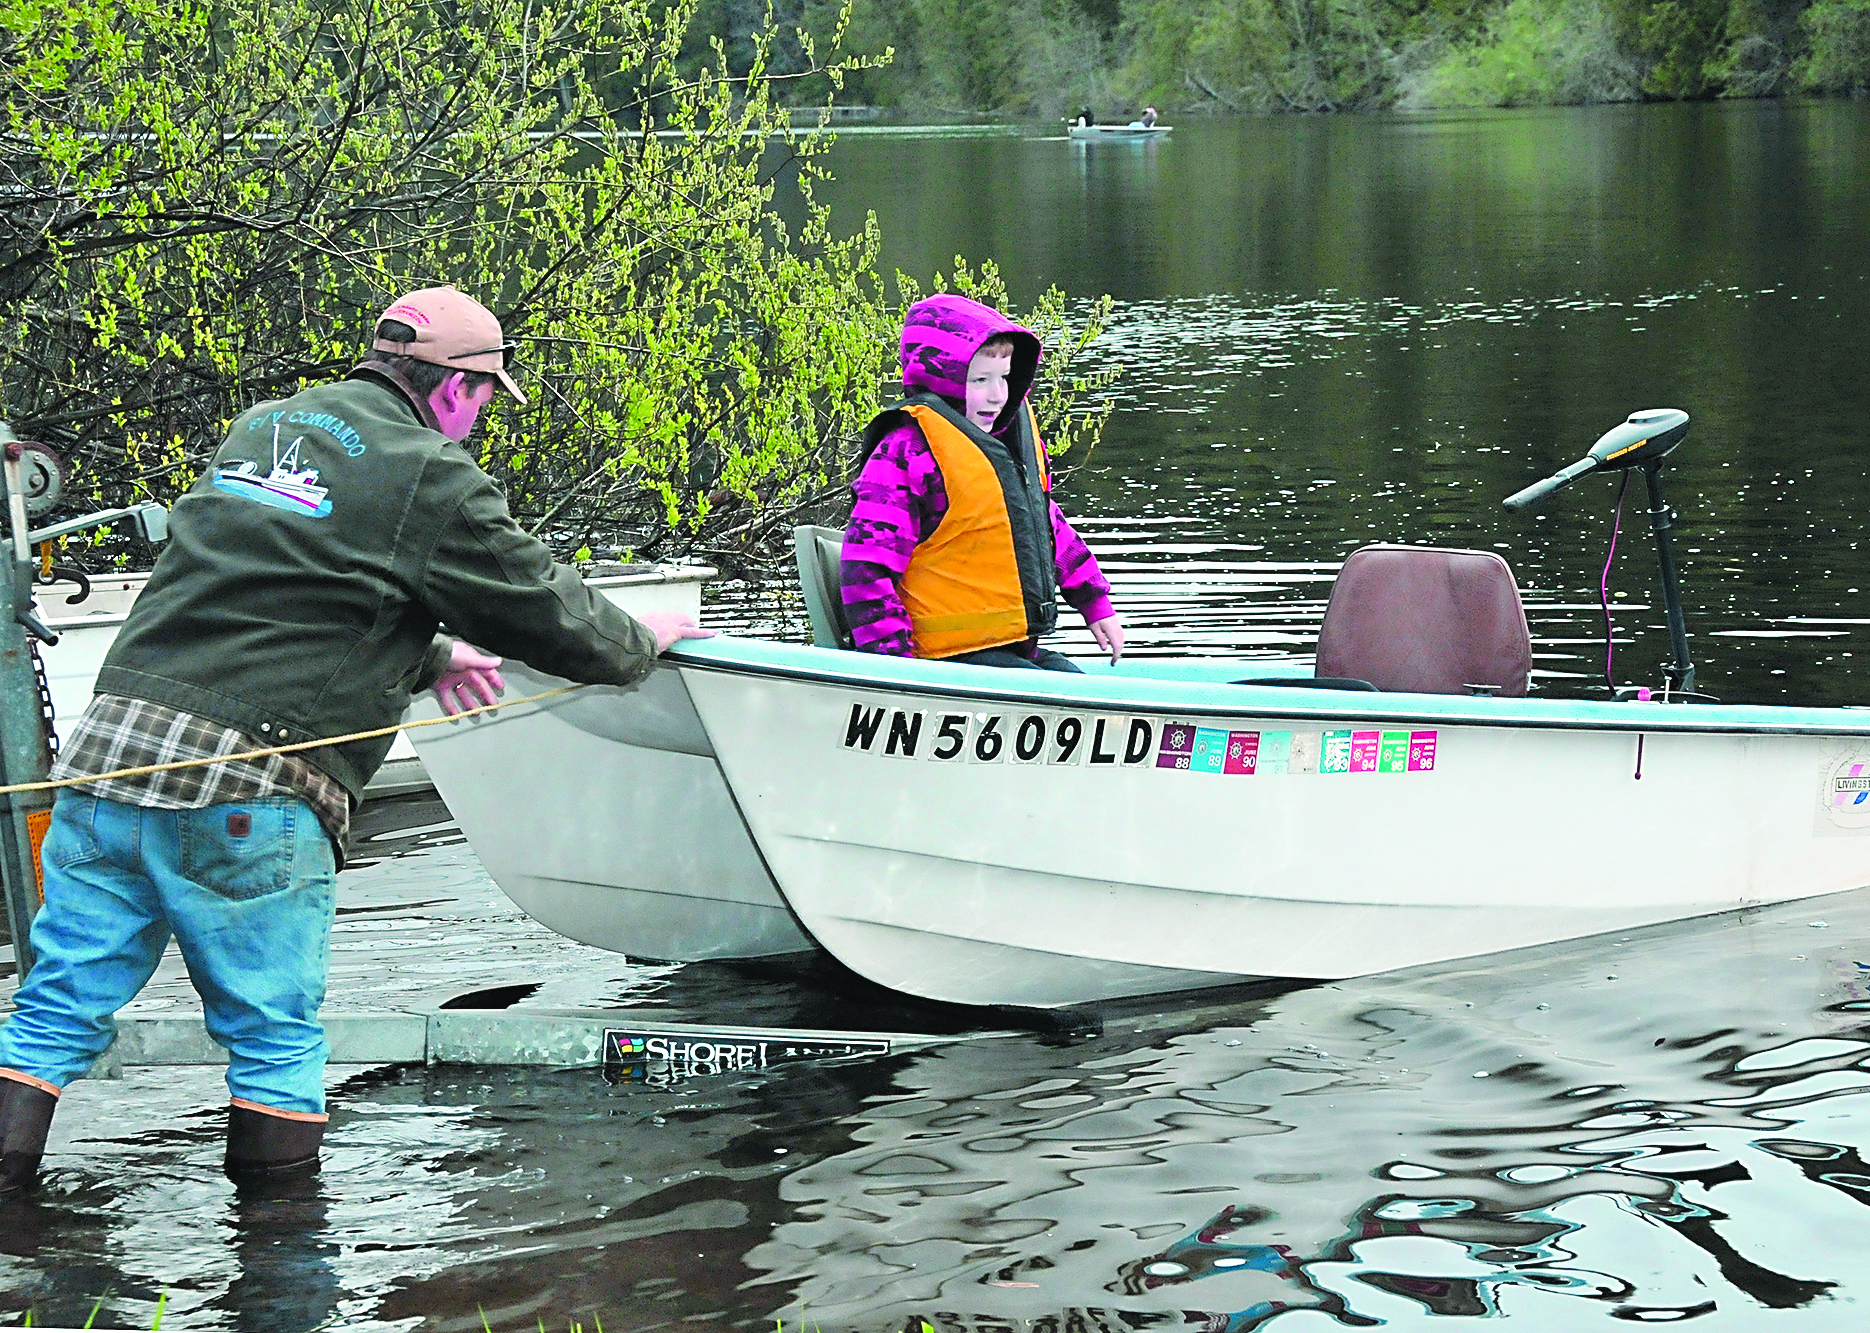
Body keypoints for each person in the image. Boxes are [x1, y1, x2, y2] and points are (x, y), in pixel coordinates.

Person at [0, 286, 711, 1199]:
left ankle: (13, 1237)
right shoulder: (431, 472)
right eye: (487, 397)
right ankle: (284, 1271)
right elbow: (546, 610)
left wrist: (431, 652)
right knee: (273, 1043)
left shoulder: (266, 426)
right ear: (455, 388)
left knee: (51, 1015)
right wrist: (641, 638)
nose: (480, 419)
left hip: (108, 764)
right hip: (247, 790)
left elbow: (289, 581)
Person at [840, 294, 1122, 672]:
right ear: (943, 380)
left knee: (1083, 690)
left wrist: (1094, 603)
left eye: (1004, 377)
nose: (998, 394)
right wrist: (895, 669)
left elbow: (1048, 530)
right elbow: (866, 565)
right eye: (980, 380)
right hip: (942, 661)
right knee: (1068, 696)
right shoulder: (908, 453)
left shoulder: (1009, 447)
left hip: (1012, 648)